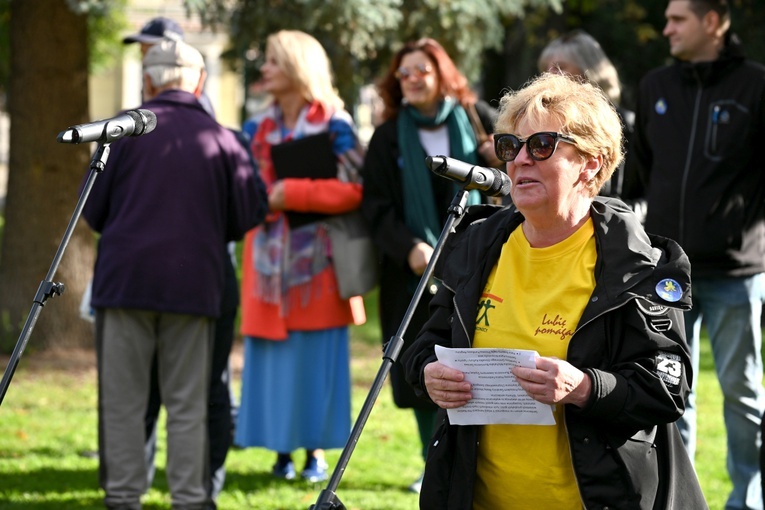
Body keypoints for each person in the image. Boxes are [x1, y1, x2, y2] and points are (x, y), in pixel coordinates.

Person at [402, 72, 707, 509]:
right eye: (510, 146)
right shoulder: (476, 246)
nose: (520, 159)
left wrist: (585, 387)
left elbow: (666, 388)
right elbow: (425, 344)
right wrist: (428, 371)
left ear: (592, 163)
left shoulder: (638, 263)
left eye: (541, 145)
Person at [82, 39, 266, 510]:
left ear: (147, 80)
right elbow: (248, 212)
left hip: (124, 284)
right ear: (199, 82)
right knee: (188, 404)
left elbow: (93, 212)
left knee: (122, 403)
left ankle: (123, 499)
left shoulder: (118, 134)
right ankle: (189, 500)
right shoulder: (224, 139)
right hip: (194, 288)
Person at [627, 2, 765, 508]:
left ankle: (748, 498)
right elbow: (637, 177)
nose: (666, 29)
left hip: (737, 270)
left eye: (677, 19)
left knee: (742, 391)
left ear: (713, 21)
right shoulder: (654, 87)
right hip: (667, 273)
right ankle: (676, 498)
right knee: (670, 390)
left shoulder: (756, 85)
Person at [360, 37, 500, 493]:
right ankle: (431, 462)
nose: (412, 79)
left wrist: (498, 155)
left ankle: (478, 463)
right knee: (422, 369)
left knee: (474, 369)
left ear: (441, 73)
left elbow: (509, 171)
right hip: (413, 274)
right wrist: (409, 248)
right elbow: (375, 206)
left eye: (421, 69)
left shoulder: (475, 119)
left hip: (478, 265)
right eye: (404, 73)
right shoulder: (387, 136)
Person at [122, 17, 249, 507]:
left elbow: (238, 210)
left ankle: (201, 490)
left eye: (150, 50)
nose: (144, 60)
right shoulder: (132, 125)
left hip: (200, 276)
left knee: (207, 386)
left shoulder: (203, 122)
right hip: (155, 276)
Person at [234, 29, 366, 484]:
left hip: (320, 270)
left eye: (272, 60)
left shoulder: (335, 124)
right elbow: (244, 187)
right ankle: (280, 451)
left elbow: (356, 188)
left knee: (315, 362)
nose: (264, 68)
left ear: (296, 66)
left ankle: (314, 453)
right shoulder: (255, 128)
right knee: (271, 360)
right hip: (266, 265)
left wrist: (293, 192)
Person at [537, 29, 643, 206]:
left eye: (560, 67)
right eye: (546, 68)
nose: (549, 75)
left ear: (589, 71)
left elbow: (651, 194)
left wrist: (619, 219)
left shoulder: (627, 125)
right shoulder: (540, 126)